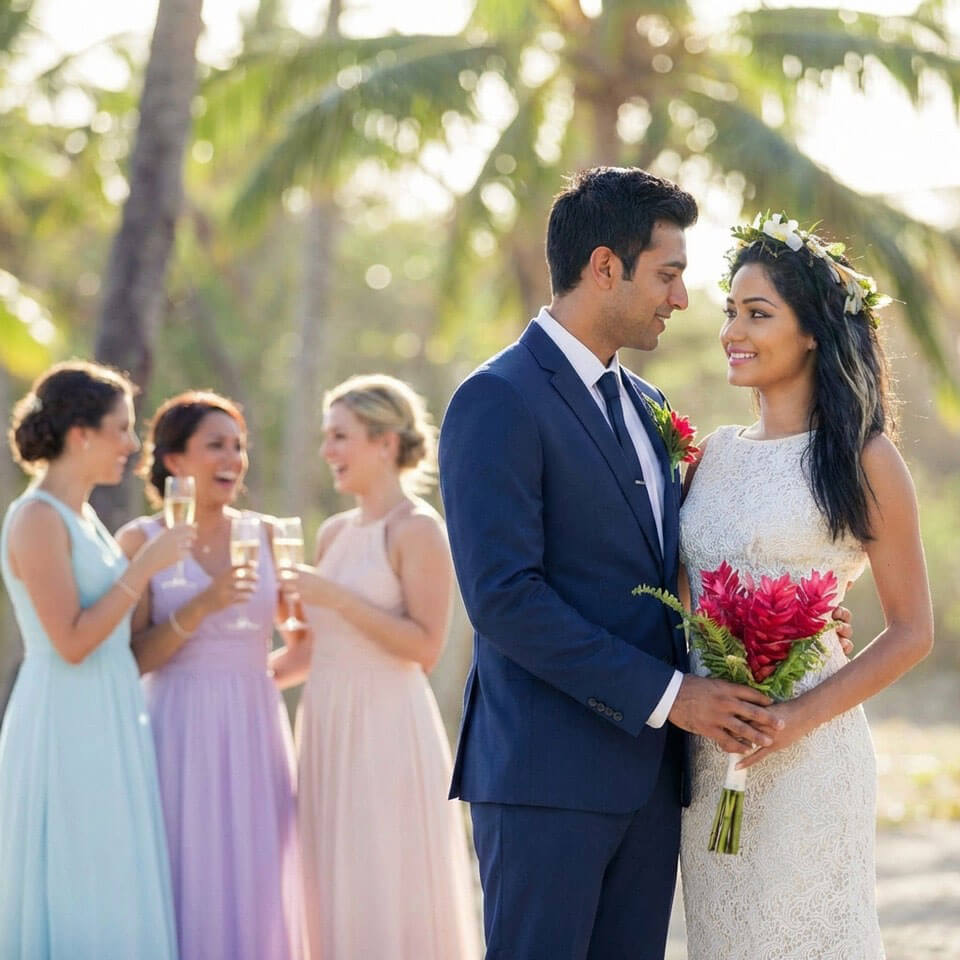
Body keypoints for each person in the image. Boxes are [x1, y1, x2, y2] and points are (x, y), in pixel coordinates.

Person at [437, 167, 792, 960]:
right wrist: (675, 697)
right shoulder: (496, 399)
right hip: (544, 781)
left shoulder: (647, 406)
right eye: (668, 274)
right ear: (605, 268)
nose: (681, 299)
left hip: (649, 784)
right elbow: (503, 598)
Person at [678, 216, 933, 959]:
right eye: (730, 310)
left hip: (811, 759)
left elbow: (912, 630)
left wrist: (794, 718)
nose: (735, 329)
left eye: (759, 314)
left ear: (813, 331)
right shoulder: (711, 456)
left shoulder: (864, 457)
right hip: (710, 751)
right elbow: (685, 593)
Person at [271, 374, 479, 960]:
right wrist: (235, 678)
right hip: (327, 724)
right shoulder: (334, 532)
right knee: (328, 881)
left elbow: (425, 646)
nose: (327, 451)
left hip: (386, 727)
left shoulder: (416, 529)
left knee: (383, 880)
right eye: (326, 437)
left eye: (340, 436)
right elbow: (310, 650)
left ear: (385, 443)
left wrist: (332, 597)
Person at [0, 360, 190, 959]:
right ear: (81, 434)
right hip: (65, 718)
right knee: (76, 872)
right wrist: (146, 568)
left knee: (112, 870)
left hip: (112, 715)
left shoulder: (85, 519)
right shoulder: (36, 517)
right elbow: (72, 641)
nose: (134, 447)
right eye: (122, 429)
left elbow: (113, 640)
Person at [116, 391, 303, 960]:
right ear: (174, 460)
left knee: (258, 866)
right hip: (172, 725)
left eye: (239, 446)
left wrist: (248, 680)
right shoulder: (139, 541)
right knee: (181, 864)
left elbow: (303, 641)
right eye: (216, 445)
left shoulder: (268, 534)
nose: (234, 458)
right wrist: (203, 605)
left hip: (254, 724)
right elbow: (134, 658)